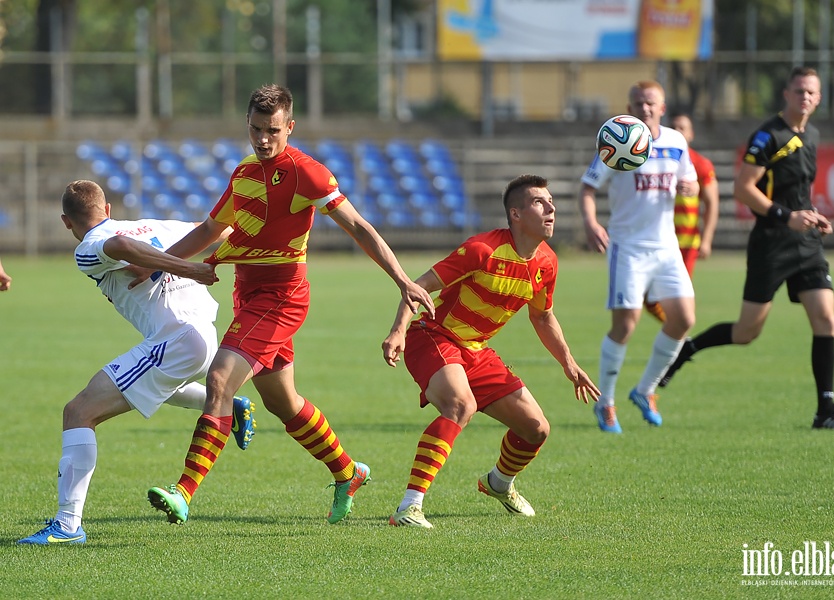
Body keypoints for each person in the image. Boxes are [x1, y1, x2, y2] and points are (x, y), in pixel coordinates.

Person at [145, 84, 435, 526]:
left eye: (274, 131)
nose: (264, 140)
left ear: (290, 127)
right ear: (247, 124)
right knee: (284, 403)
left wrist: (402, 280)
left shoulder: (307, 174)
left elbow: (358, 226)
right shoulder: (243, 171)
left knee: (221, 379)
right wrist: (163, 263)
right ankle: (347, 472)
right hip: (248, 294)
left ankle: (183, 491)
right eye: (257, 129)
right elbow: (209, 229)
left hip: (282, 297)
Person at [17, 180, 256, 545]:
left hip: (176, 341)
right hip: (201, 336)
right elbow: (221, 227)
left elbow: (122, 247)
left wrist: (187, 269)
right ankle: (232, 407)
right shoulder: (152, 224)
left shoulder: (88, 247)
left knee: (78, 412)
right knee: (154, 382)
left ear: (67, 222)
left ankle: (67, 526)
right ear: (108, 208)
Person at [382, 174, 600, 529]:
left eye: (551, 203)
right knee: (460, 406)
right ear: (515, 214)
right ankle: (409, 506)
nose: (551, 208)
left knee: (536, 429)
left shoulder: (547, 262)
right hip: (435, 337)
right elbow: (418, 287)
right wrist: (398, 330)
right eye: (539, 203)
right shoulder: (482, 250)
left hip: (476, 351)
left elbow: (542, 316)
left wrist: (569, 363)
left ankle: (498, 483)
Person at [659, 67, 834, 430]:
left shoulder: (811, 134)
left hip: (807, 243)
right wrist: (786, 216)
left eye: (811, 92)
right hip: (771, 244)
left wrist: (812, 217)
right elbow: (745, 189)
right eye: (798, 91)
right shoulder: (768, 135)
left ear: (819, 97)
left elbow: (799, 193)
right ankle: (686, 350)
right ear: (786, 94)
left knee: (826, 317)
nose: (805, 97)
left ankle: (825, 410)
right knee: (747, 332)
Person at [579, 80, 699, 434]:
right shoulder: (619, 138)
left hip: (666, 246)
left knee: (683, 319)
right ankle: (606, 402)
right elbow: (588, 187)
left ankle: (645, 391)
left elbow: (689, 180)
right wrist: (590, 223)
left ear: (662, 107)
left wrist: (689, 187)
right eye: (638, 103)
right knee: (626, 324)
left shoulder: (677, 142)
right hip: (627, 247)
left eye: (651, 103)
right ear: (629, 108)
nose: (644, 109)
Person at [670, 111, 720, 278]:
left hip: (686, 241)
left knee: (678, 296)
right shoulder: (657, 159)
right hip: (659, 238)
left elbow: (712, 202)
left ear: (690, 134)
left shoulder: (701, 164)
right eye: (673, 127)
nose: (677, 131)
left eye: (682, 128)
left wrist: (706, 240)